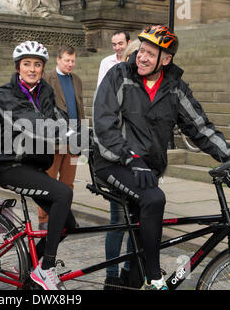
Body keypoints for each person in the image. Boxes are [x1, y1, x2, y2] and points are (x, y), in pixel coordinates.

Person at [93, 25, 230, 290]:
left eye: (150, 54)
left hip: (147, 169)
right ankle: (153, 278)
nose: (141, 57)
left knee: (143, 233)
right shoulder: (120, 76)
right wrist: (132, 159)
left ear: (166, 59)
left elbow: (200, 127)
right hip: (112, 162)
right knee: (154, 198)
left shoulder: (174, 87)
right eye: (141, 50)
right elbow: (104, 125)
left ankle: (133, 279)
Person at [0, 41, 79, 290]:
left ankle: (30, 265)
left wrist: (83, 133)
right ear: (18, 67)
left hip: (33, 166)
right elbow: (33, 120)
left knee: (67, 225)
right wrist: (64, 132)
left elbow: (58, 116)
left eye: (37, 64)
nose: (32, 69)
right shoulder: (5, 94)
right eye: (27, 64)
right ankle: (47, 268)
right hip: (8, 166)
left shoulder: (46, 92)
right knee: (64, 193)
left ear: (42, 68)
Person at [103, 38, 141, 290]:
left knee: (137, 224)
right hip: (119, 162)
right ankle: (112, 276)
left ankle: (129, 271)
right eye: (136, 55)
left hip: (143, 165)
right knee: (118, 222)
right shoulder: (117, 80)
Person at [37, 45, 85, 231]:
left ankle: (65, 216)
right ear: (58, 59)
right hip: (54, 140)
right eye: (67, 60)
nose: (70, 64)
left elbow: (79, 107)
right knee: (48, 180)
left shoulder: (77, 80)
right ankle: (44, 218)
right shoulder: (47, 78)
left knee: (68, 182)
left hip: (73, 140)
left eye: (73, 61)